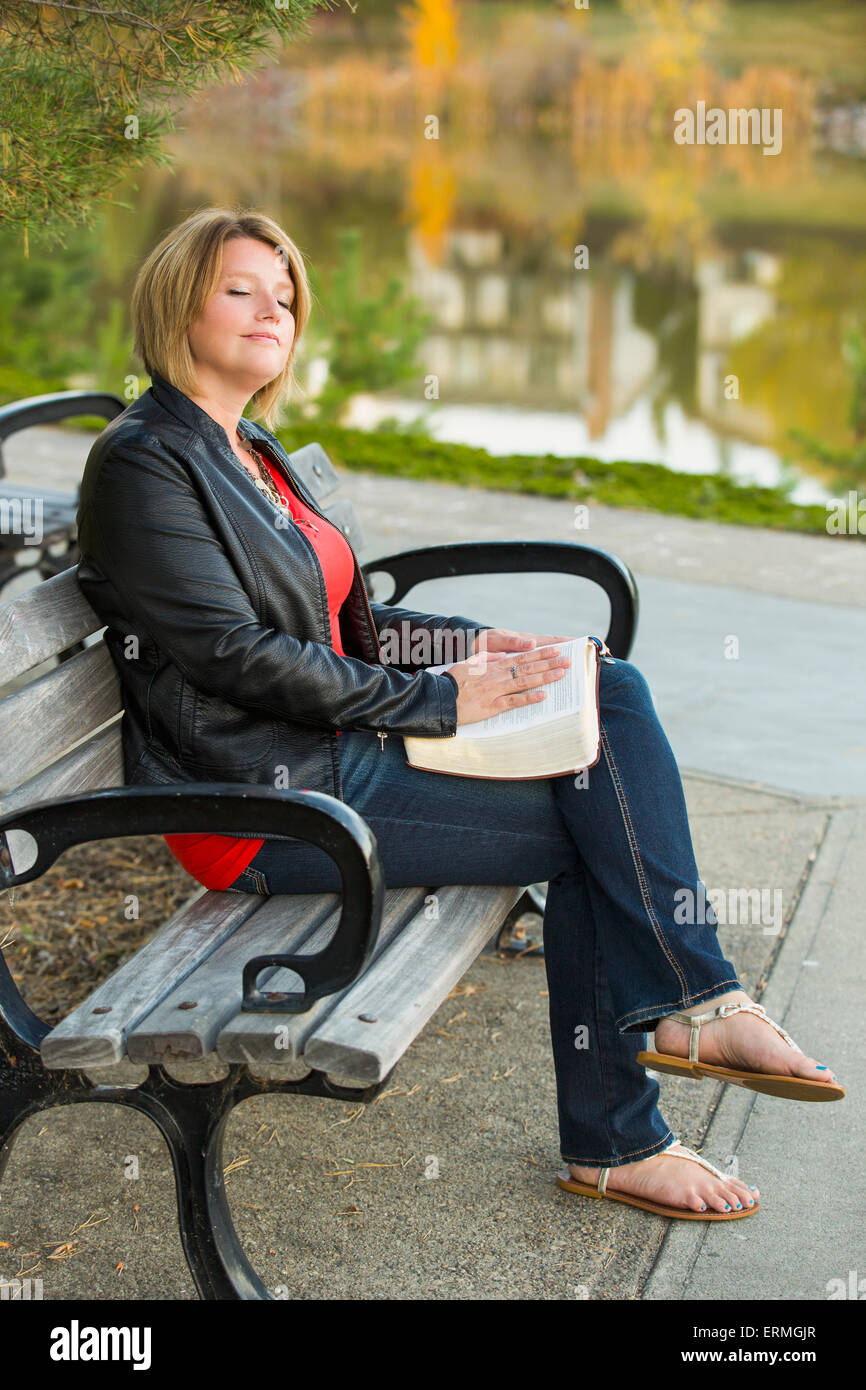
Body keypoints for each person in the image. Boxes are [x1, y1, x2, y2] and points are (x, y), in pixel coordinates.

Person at [76, 206, 844, 1226]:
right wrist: (442, 702)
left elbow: (350, 623)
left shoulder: (248, 447)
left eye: (287, 295)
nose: (275, 311)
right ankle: (640, 1100)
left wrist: (480, 649)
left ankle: (693, 1012)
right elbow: (236, 657)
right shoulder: (144, 461)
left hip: (332, 754)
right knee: (591, 831)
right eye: (240, 289)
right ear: (179, 300)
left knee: (605, 685)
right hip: (262, 803)